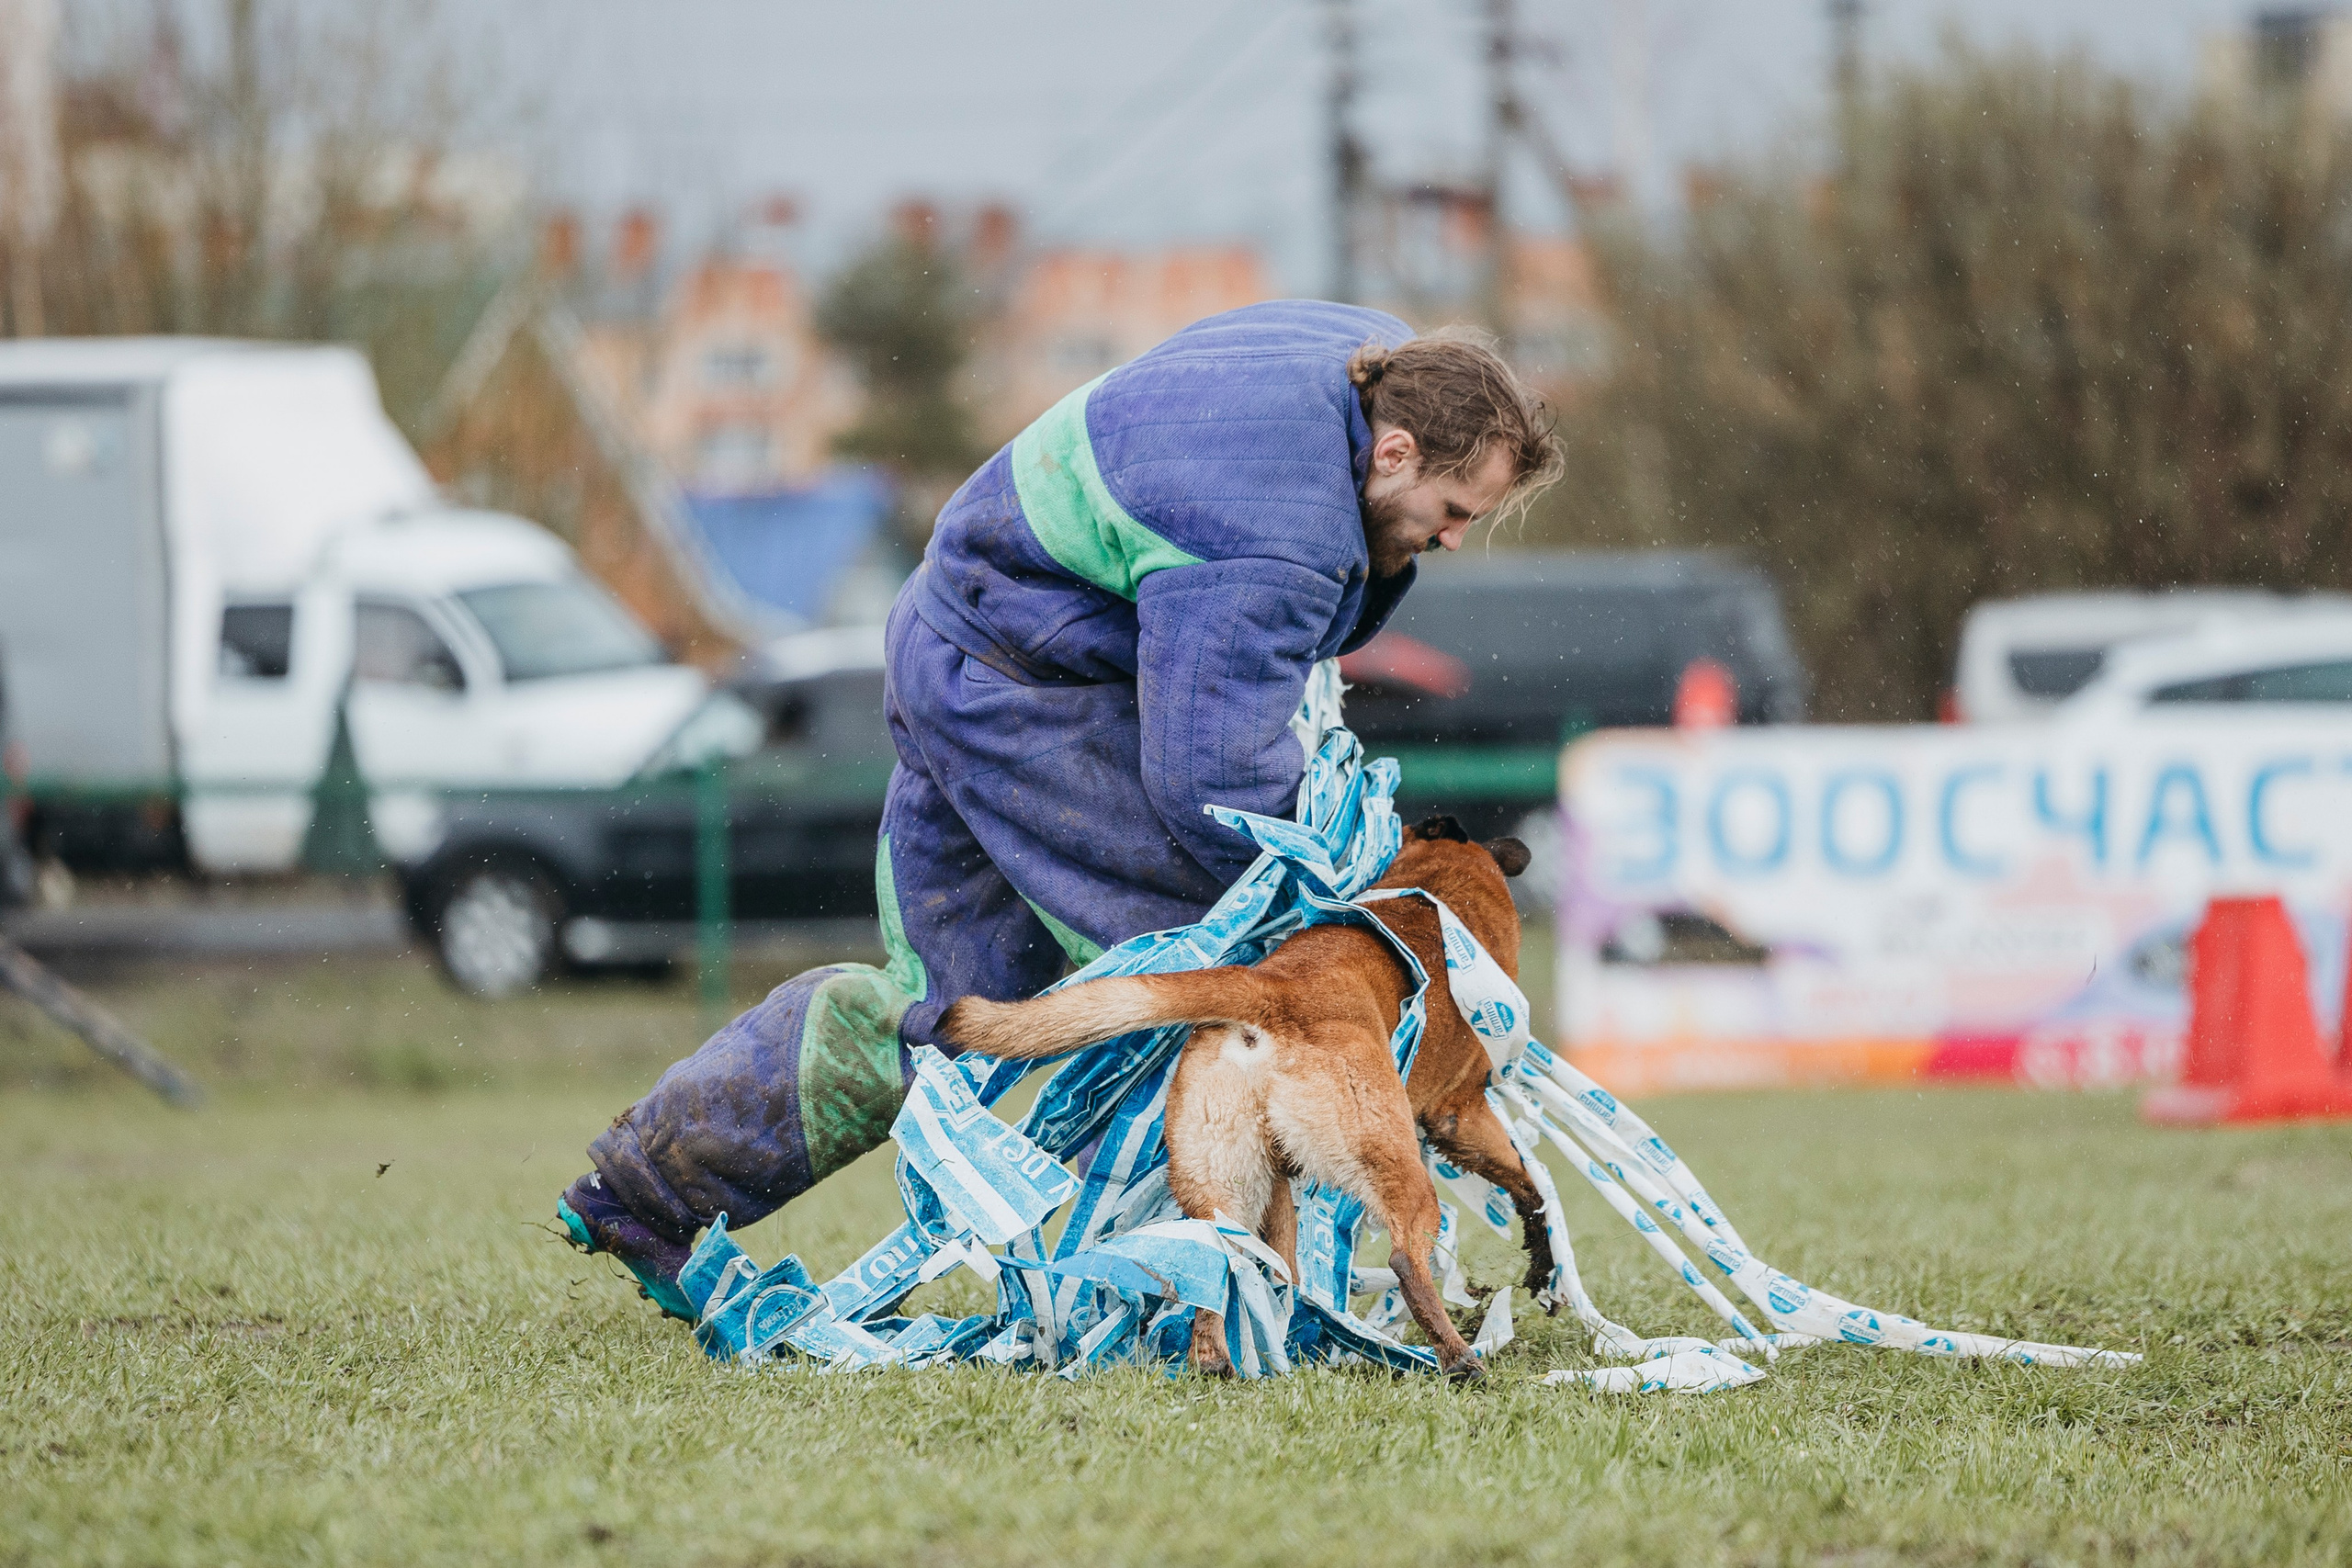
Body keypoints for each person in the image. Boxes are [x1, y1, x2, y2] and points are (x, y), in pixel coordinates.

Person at [555, 299, 1563, 1317]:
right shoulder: (1275, 534)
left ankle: (645, 1196)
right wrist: (1346, 890)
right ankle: (1184, 1286)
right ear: (1393, 451)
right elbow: (1214, 785)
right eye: (1454, 509)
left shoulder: (1370, 359)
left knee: (945, 1005)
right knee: (1196, 971)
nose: (1453, 536)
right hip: (1023, 689)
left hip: (954, 632)